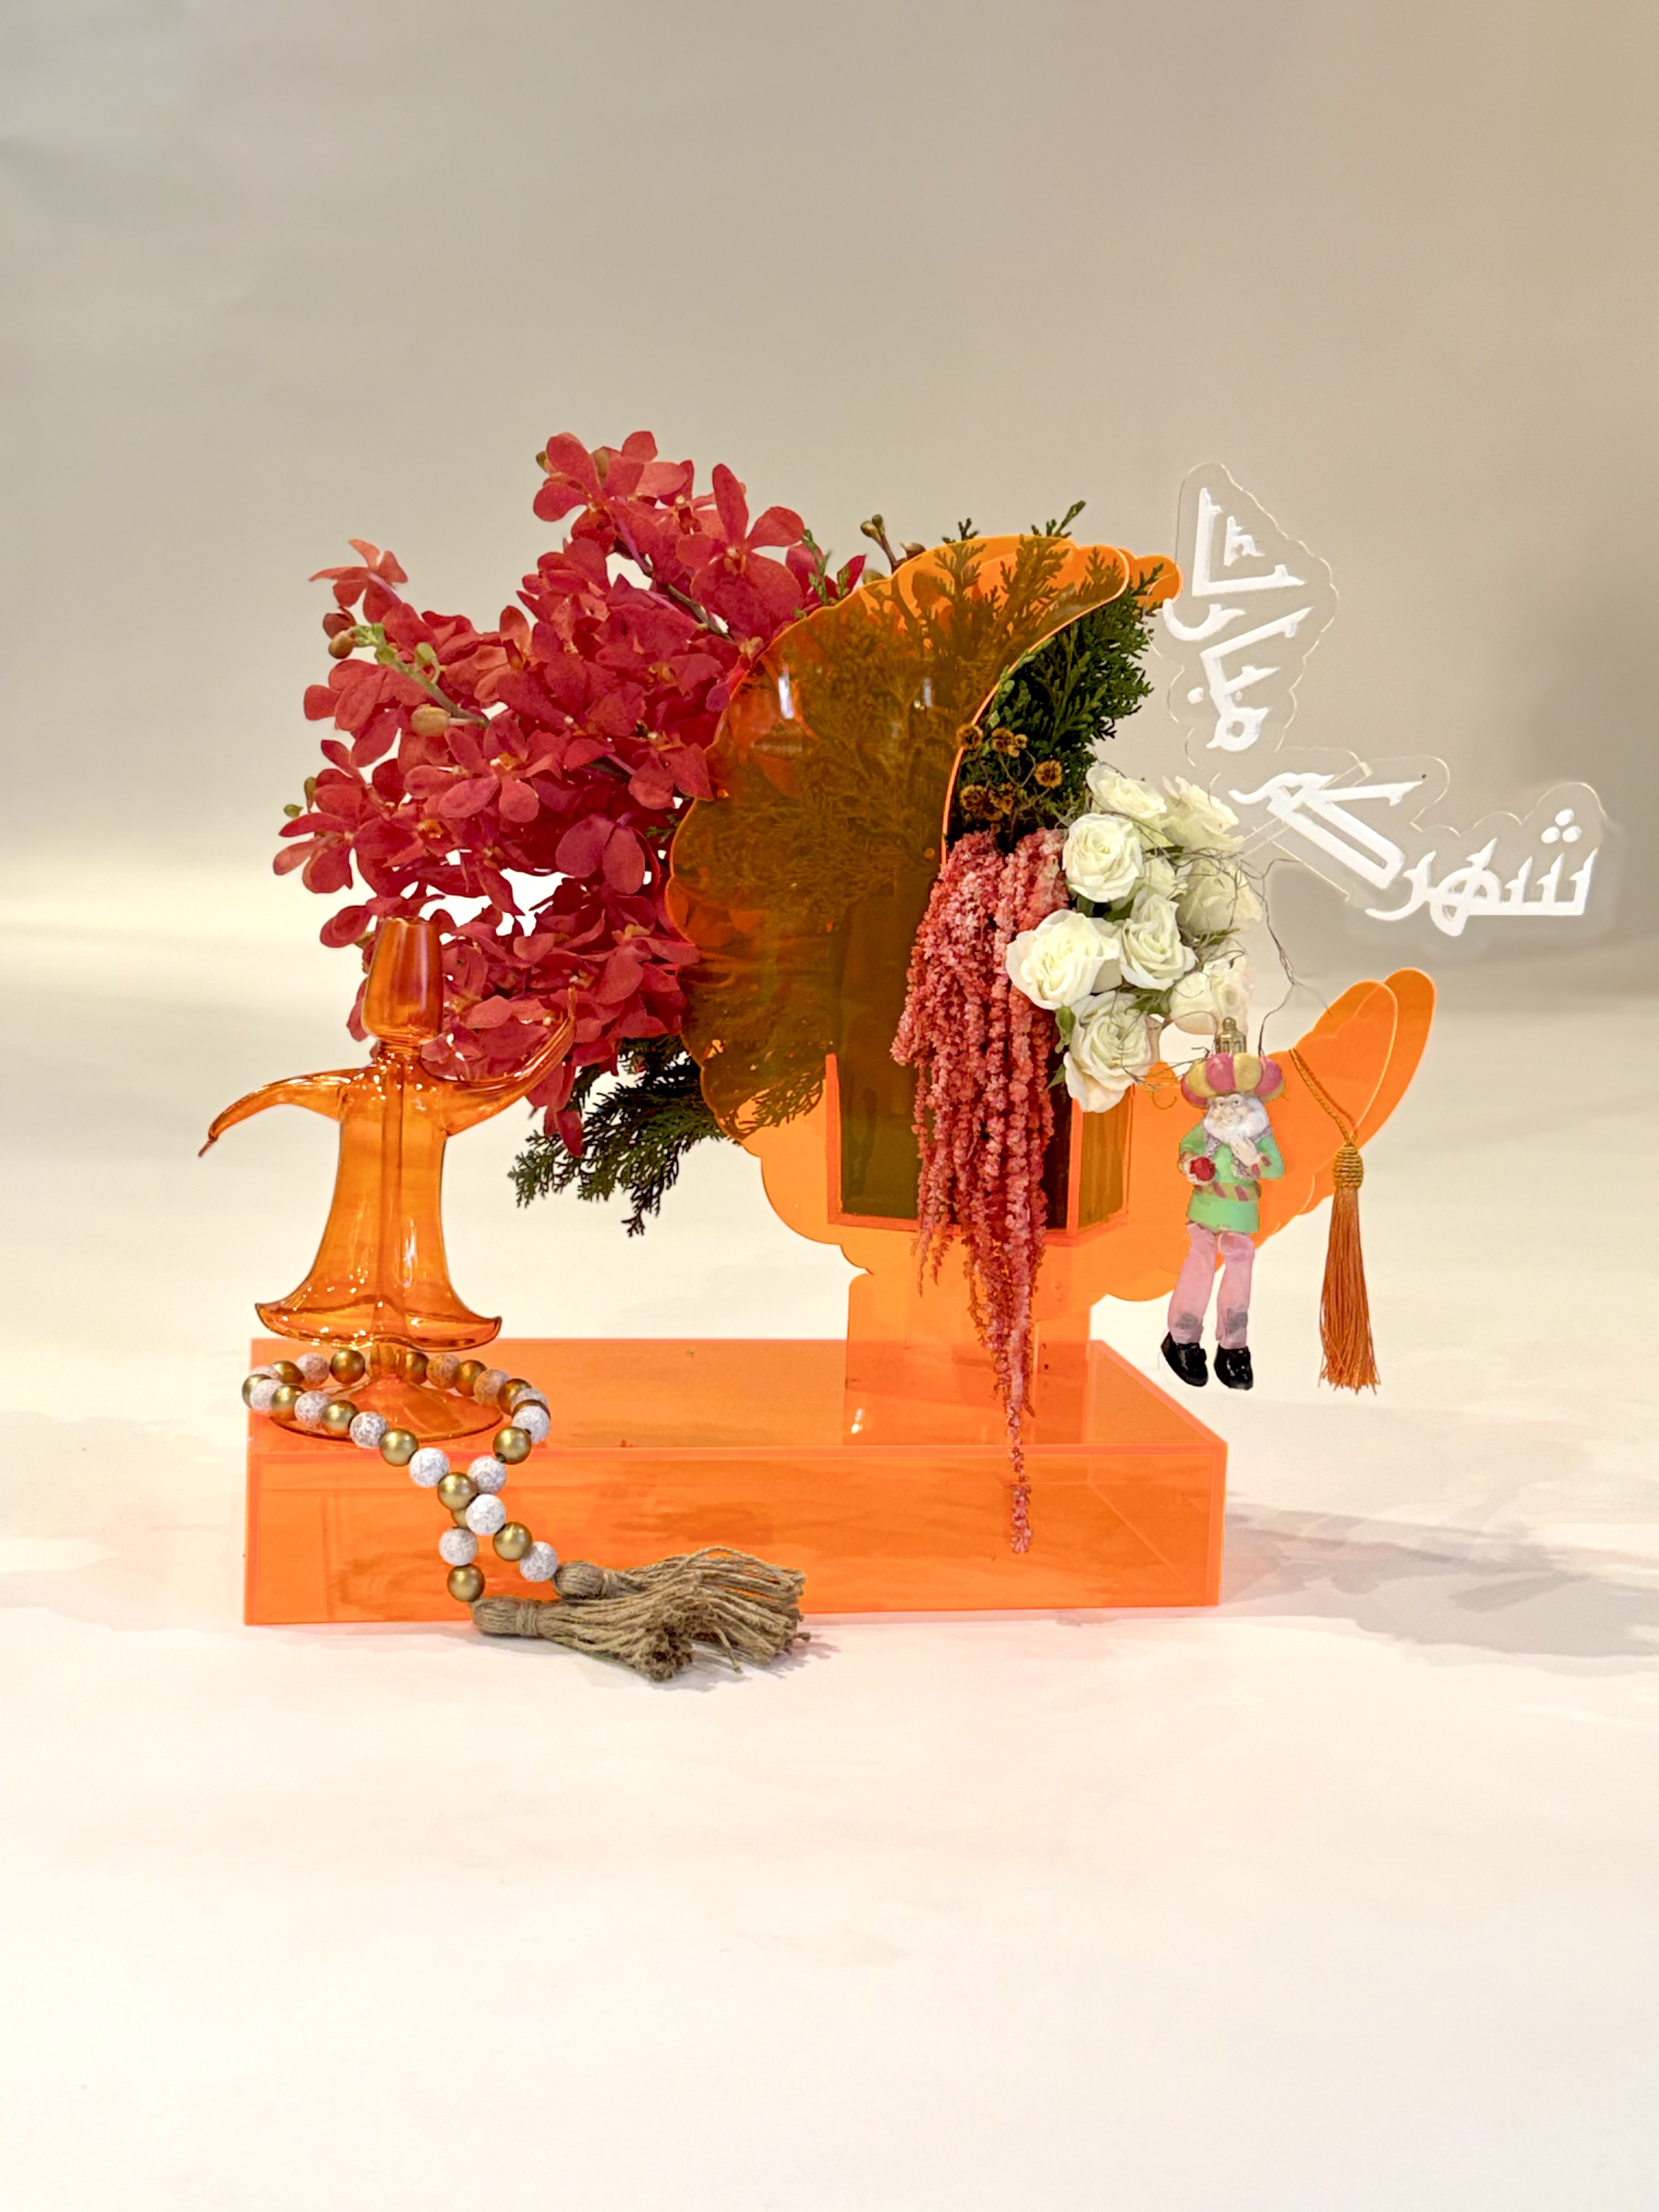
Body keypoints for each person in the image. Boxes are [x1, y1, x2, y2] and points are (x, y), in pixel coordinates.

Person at [1160, 1045, 1284, 1392]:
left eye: (1235, 1102)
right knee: (1198, 1268)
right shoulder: (1207, 1133)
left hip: (1240, 1212)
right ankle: (1182, 1336)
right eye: (1219, 1103)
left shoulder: (1259, 1136)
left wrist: (1254, 1160)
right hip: (1206, 1206)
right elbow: (1186, 1150)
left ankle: (1234, 1345)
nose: (1227, 1110)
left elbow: (1276, 1169)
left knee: (1239, 1275)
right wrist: (1191, 1166)